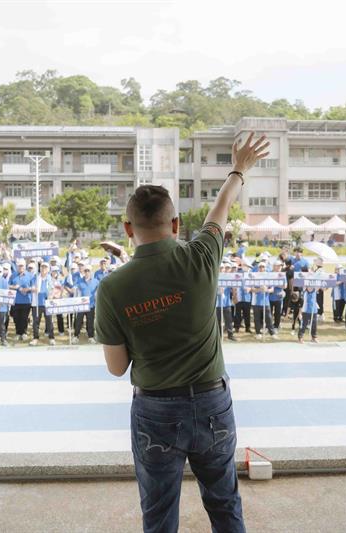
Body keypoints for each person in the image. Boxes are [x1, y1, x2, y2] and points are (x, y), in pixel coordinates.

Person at [95, 132, 268, 533]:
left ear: (127, 229)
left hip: (154, 412)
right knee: (225, 504)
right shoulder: (201, 257)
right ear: (175, 223)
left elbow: (116, 367)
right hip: (212, 404)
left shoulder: (113, 288)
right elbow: (220, 210)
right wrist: (239, 167)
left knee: (158, 516)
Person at [29, 262, 55, 346]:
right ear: (40, 268)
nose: (43, 269)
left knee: (49, 321)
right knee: (36, 322)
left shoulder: (50, 278)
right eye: (42, 267)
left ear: (48, 269)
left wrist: (51, 294)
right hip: (37, 303)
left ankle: (51, 338)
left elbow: (52, 290)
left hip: (47, 303)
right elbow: (32, 287)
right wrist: (34, 289)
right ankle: (35, 338)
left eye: (45, 267)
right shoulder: (35, 277)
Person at [72, 264, 98, 344]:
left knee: (90, 322)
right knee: (78, 321)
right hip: (81, 305)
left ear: (91, 272)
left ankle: (91, 336)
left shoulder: (96, 281)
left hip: (91, 305)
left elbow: (98, 292)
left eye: (88, 271)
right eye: (85, 271)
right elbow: (75, 290)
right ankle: (76, 336)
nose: (86, 272)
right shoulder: (79, 280)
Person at [250, 262, 276, 340]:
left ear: (265, 268)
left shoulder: (268, 276)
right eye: (260, 267)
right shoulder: (254, 276)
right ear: (258, 268)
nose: (262, 268)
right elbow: (252, 289)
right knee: (257, 318)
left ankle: (272, 333)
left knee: (268, 318)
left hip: (266, 301)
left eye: (263, 267)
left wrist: (266, 290)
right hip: (256, 302)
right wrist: (259, 289)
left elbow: (272, 289)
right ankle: (258, 333)